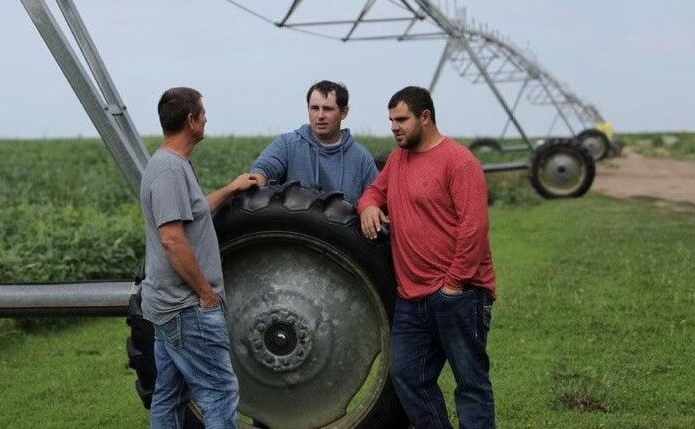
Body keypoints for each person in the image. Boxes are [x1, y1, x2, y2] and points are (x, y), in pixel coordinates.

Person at [358, 86, 497, 429]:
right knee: (406, 375)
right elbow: (375, 191)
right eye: (391, 120)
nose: (394, 127)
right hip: (411, 297)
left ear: (425, 117)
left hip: (458, 293)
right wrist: (369, 205)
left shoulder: (459, 161)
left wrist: (454, 284)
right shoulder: (398, 159)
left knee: (470, 382)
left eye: (401, 119)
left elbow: (474, 227)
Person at [140, 87, 259, 429]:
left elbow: (191, 214)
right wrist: (205, 293)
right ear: (190, 120)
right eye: (202, 113)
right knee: (219, 393)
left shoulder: (173, 165)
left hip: (173, 307)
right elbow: (172, 239)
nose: (206, 118)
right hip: (187, 307)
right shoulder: (168, 171)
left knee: (170, 393)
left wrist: (230, 189)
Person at [247, 80, 378, 205]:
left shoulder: (362, 159)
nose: (320, 116)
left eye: (327, 109)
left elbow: (376, 197)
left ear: (344, 112)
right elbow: (265, 167)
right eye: (315, 108)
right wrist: (258, 178)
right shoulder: (287, 144)